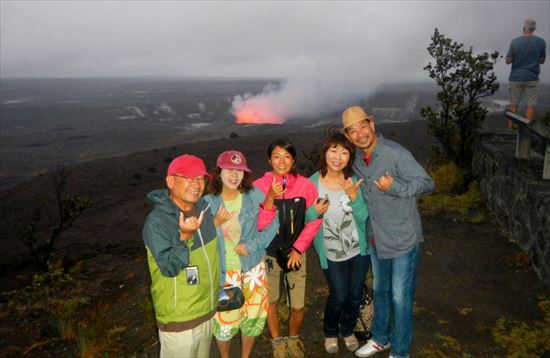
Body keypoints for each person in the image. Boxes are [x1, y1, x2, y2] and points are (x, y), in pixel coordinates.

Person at [340, 106, 434, 358]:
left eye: (363, 126)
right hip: (377, 238)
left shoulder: (395, 153)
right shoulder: (358, 159)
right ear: (348, 137)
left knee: (400, 297)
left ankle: (401, 350)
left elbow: (427, 183)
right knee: (381, 291)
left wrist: (396, 187)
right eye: (353, 131)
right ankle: (381, 338)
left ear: (372, 125)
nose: (360, 134)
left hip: (403, 238)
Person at [203, 150, 279, 358]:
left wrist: (253, 245)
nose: (235, 175)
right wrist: (214, 224)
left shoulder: (253, 195)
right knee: (224, 322)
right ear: (219, 173)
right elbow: (199, 237)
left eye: (239, 171)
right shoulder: (208, 202)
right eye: (229, 170)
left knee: (253, 318)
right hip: (224, 272)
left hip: (253, 267)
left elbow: (274, 220)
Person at [253, 138, 324, 358]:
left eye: (287, 156)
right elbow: (259, 225)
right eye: (276, 156)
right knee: (271, 301)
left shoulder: (306, 186)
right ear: (269, 160)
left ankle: (293, 338)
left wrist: (299, 249)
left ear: (293, 160)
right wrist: (271, 198)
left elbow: (314, 220)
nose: (281, 161)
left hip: (296, 254)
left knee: (298, 306)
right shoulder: (258, 187)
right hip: (270, 254)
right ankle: (277, 341)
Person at [142, 154, 219, 358]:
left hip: (206, 309)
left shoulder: (204, 210)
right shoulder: (158, 222)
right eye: (188, 177)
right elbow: (169, 268)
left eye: (200, 179)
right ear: (170, 181)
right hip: (180, 319)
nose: (196, 184)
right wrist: (184, 237)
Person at [307, 132, 370, 354]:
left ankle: (348, 330)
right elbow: (306, 221)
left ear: (349, 158)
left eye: (344, 152)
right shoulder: (311, 184)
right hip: (332, 252)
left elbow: (364, 220)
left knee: (354, 295)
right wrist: (313, 212)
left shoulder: (352, 181)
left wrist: (354, 198)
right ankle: (331, 332)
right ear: (325, 152)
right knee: (339, 295)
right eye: (334, 150)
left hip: (358, 250)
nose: (338, 156)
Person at [505, 18, 546, 129]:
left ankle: (510, 131)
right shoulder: (541, 42)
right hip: (532, 77)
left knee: (513, 105)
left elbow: (508, 61)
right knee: (530, 106)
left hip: (516, 77)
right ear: (534, 29)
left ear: (524, 28)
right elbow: (542, 60)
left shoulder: (515, 42)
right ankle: (526, 132)